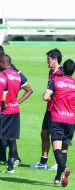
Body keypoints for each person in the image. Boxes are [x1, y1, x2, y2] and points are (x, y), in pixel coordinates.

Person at [0, 54, 33, 173]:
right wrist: (17, 102)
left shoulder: (3, 75)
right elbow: (29, 90)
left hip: (4, 110)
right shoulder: (17, 74)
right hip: (14, 110)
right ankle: (11, 167)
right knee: (12, 139)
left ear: (2, 63)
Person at [43, 59, 75, 187]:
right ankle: (58, 178)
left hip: (57, 117)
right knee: (64, 149)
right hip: (71, 120)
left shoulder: (55, 81)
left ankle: (64, 168)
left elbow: (45, 97)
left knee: (56, 147)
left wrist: (53, 97)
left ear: (63, 69)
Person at [30, 48, 63, 170]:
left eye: (48, 59)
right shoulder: (51, 72)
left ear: (55, 59)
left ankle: (59, 163)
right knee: (44, 134)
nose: (47, 61)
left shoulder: (62, 73)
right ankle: (43, 162)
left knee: (57, 137)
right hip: (49, 109)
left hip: (57, 111)